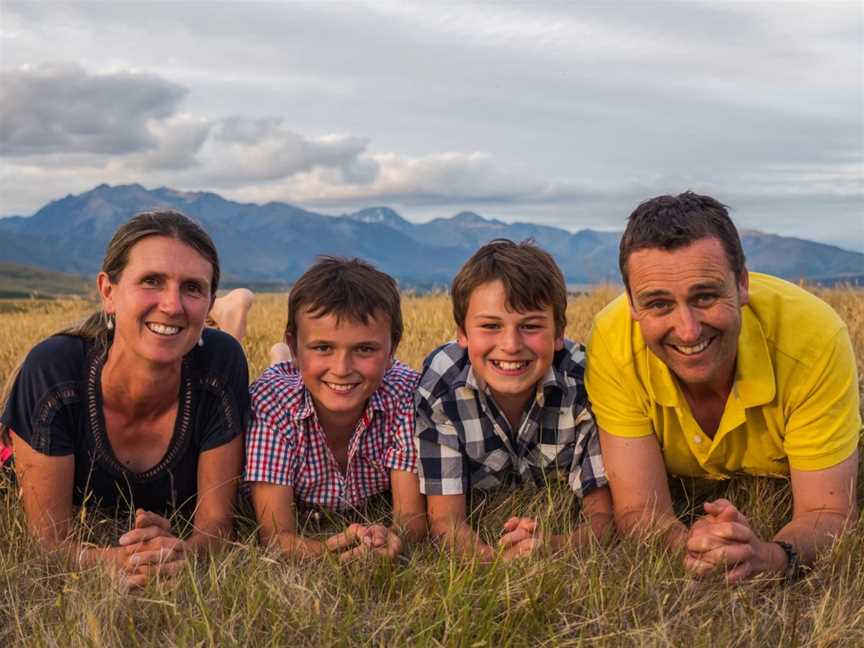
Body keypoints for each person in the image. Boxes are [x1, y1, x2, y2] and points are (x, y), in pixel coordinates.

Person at [585, 192, 861, 583]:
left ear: (742, 284)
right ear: (631, 304)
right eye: (659, 304)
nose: (688, 329)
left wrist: (770, 557)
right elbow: (639, 511)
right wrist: (691, 548)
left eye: (706, 296)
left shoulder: (814, 338)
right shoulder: (613, 341)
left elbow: (829, 513)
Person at [0, 209, 252, 587]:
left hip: (207, 352)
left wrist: (182, 553)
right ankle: (231, 313)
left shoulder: (222, 362)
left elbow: (216, 528)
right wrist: (122, 560)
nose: (171, 303)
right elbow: (47, 543)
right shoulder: (55, 372)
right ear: (108, 292)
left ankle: (231, 313)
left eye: (193, 288)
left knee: (218, 343)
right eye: (151, 281)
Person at [415, 239, 611, 561]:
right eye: (491, 326)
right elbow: (445, 522)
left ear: (558, 332)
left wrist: (551, 547)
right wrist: (493, 562)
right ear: (462, 333)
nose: (510, 344)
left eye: (530, 326)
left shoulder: (583, 382)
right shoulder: (442, 387)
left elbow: (602, 521)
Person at [245, 257, 426, 562]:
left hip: (310, 377)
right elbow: (277, 538)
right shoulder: (269, 403)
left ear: (392, 348)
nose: (342, 368)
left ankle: (294, 359)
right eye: (323, 347)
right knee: (279, 376)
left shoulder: (407, 394)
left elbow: (411, 523)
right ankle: (278, 359)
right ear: (295, 344)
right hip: (289, 384)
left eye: (364, 349)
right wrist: (336, 550)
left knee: (319, 377)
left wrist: (388, 541)